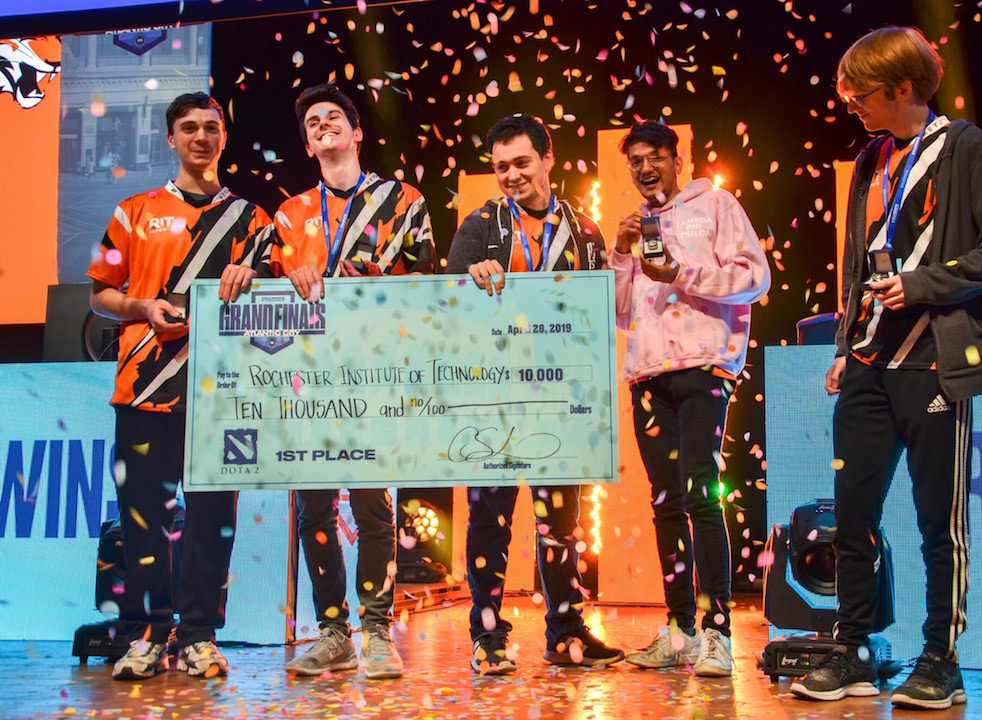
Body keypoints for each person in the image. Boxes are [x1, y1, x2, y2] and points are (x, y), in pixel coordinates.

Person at [791, 27, 982, 709]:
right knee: (853, 513)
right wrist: (840, 345)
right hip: (868, 360)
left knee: (936, 522)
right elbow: (856, 260)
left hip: (934, 361)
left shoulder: (964, 148)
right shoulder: (870, 157)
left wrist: (919, 285)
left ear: (902, 87)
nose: (850, 103)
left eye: (859, 92)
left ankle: (940, 659)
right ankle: (854, 648)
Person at [87, 92, 274, 680]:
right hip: (143, 390)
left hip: (222, 396)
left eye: (211, 128)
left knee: (213, 518)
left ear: (224, 137)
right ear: (171, 138)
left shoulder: (254, 220)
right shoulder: (132, 211)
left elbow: (278, 299)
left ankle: (196, 635)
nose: (201, 137)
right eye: (189, 127)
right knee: (144, 517)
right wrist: (142, 305)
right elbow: (100, 294)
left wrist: (259, 275)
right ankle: (146, 632)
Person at [445, 113, 621, 675]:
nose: (512, 175)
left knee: (561, 526)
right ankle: (488, 637)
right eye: (501, 167)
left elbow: (596, 322)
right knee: (489, 523)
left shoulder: (585, 230)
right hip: (491, 398)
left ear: (549, 159)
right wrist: (472, 277)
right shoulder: (480, 225)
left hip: (558, 401)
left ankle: (565, 634)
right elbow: (445, 302)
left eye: (522, 162)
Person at [270, 83, 435, 679]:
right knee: (314, 509)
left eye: (333, 117)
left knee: (372, 507)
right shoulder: (289, 215)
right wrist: (276, 274)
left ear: (356, 130)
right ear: (308, 141)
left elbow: (428, 286)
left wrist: (373, 278)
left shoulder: (404, 200)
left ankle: (376, 630)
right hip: (308, 383)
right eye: (312, 121)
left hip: (376, 377)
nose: (322, 126)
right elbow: (264, 293)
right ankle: (333, 631)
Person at [610, 121, 770, 677]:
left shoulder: (718, 205)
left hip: (704, 366)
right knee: (665, 502)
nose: (645, 168)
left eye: (655, 157)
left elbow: (755, 277)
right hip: (648, 375)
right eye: (635, 161)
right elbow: (620, 309)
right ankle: (678, 630)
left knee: (702, 493)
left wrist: (682, 272)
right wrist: (622, 252)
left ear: (679, 159)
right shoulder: (637, 227)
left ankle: (717, 633)